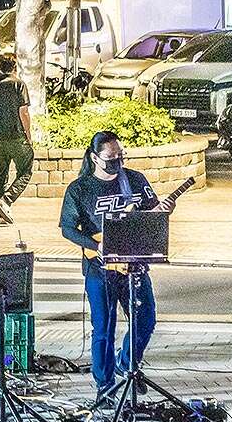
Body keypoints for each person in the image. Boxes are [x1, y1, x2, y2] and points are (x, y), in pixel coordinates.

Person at [59, 130, 164, 400]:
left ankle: (128, 362)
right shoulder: (80, 189)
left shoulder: (135, 180)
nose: (116, 161)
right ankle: (104, 387)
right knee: (103, 328)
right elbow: (68, 229)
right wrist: (96, 246)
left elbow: (154, 214)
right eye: (110, 157)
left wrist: (163, 211)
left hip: (134, 265)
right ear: (95, 158)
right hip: (100, 270)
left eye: (120, 155)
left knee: (145, 319)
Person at [0, 55, 33, 226]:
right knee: (25, 171)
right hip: (17, 136)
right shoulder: (19, 84)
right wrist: (29, 135)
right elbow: (23, 112)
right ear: (14, 66)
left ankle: (2, 212)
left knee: (1, 173)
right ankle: (6, 201)